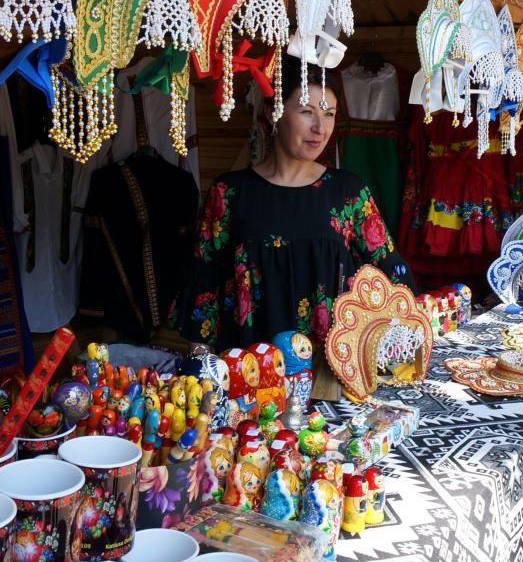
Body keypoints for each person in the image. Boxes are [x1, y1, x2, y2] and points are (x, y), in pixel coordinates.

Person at [171, 55, 413, 350]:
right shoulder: (229, 192)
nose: (320, 128)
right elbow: (204, 286)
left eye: (329, 114)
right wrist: (202, 362)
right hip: (248, 368)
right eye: (307, 112)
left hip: (329, 369)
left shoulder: (348, 192)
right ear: (273, 112)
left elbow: (393, 276)